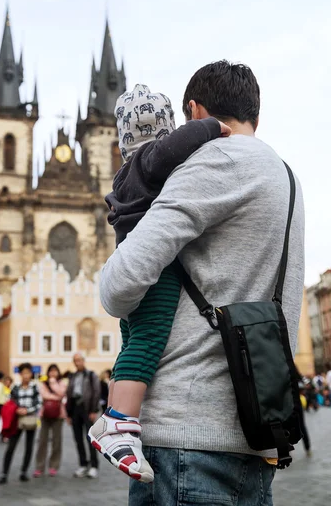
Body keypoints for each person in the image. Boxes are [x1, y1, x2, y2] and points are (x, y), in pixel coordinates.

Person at [100, 61, 305, 505]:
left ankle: (116, 420)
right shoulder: (286, 175)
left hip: (186, 437)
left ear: (195, 111)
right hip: (255, 428)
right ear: (256, 114)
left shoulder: (213, 161)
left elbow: (119, 286)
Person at [89, 84, 229, 481]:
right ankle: (119, 422)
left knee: (133, 342)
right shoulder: (151, 161)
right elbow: (179, 143)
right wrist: (213, 126)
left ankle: (114, 420)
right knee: (150, 339)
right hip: (155, 270)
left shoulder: (122, 174)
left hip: (128, 265)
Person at [0, 362, 41, 485]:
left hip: (30, 419)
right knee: (11, 446)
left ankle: (24, 472)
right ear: (20, 374)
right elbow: (9, 402)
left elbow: (38, 403)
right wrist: (17, 410)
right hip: (17, 420)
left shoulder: (34, 387)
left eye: (28, 373)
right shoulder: (15, 387)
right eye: (24, 373)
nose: (26, 375)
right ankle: (4, 473)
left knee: (29, 446)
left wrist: (28, 410)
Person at [66, 353, 100, 479]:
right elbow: (69, 394)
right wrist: (68, 413)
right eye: (75, 360)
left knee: (90, 438)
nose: (77, 362)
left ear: (83, 361)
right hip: (75, 408)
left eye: (79, 360)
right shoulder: (73, 376)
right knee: (78, 438)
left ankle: (94, 466)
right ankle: (83, 464)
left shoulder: (91, 375)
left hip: (87, 408)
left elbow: (96, 392)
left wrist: (94, 410)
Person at [34, 364, 66, 477]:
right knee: (42, 441)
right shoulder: (43, 383)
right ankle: (39, 466)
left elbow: (62, 393)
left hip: (58, 415)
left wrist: (53, 383)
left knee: (57, 442)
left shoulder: (61, 383)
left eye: (55, 371)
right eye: (51, 371)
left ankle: (53, 466)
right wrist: (56, 397)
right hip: (45, 414)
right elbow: (43, 395)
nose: (53, 373)